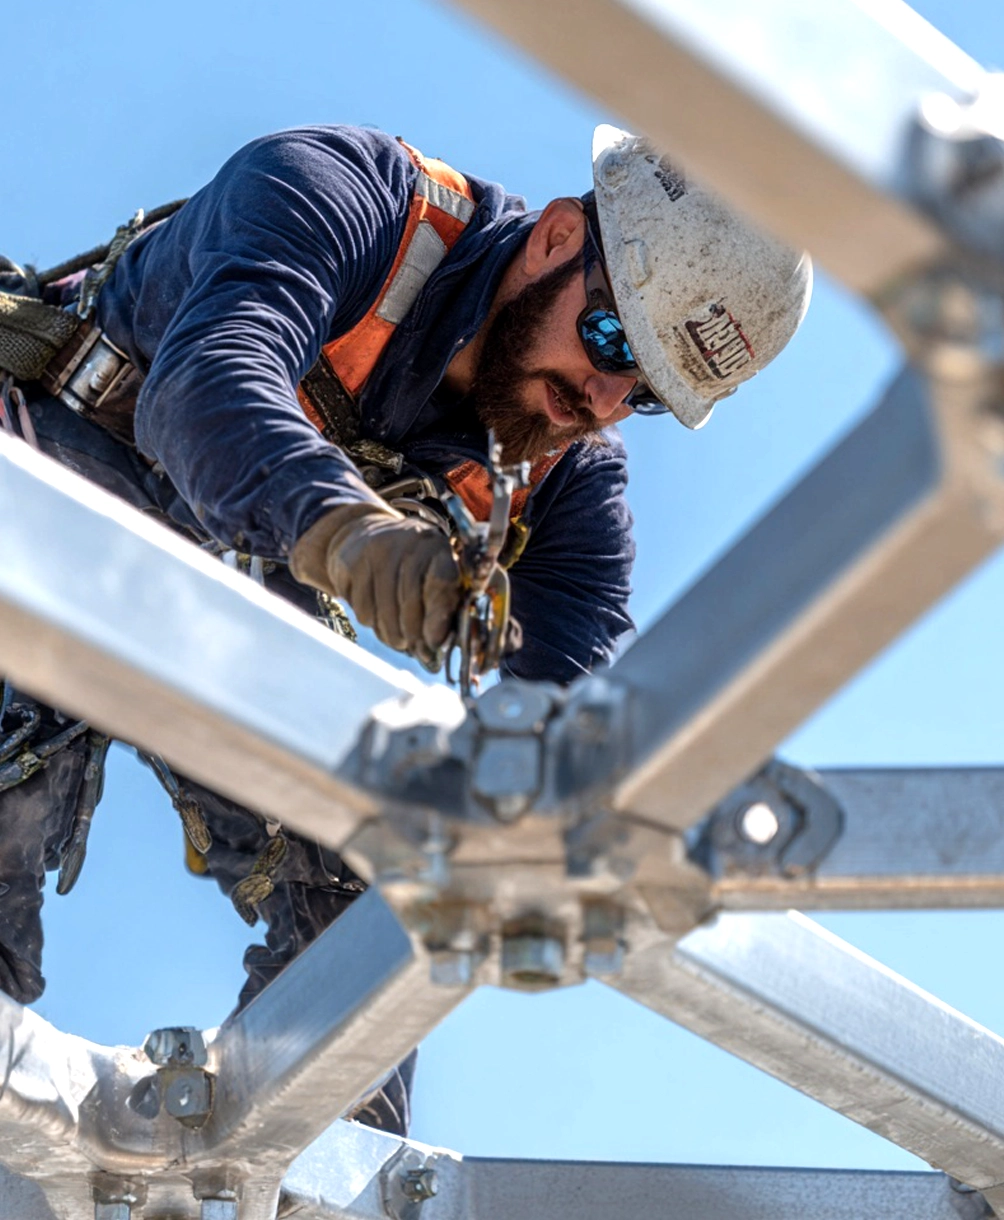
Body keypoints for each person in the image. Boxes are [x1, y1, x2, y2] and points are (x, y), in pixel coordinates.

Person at [0, 122, 811, 1132]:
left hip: (224, 588)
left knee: (376, 895)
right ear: (558, 238)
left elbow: (562, 712)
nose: (599, 400)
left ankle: (303, 1163)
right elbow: (209, 379)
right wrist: (344, 533)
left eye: (640, 395)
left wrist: (577, 792)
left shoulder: (568, 487)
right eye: (610, 341)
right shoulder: (345, 193)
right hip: (46, 481)